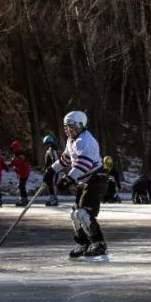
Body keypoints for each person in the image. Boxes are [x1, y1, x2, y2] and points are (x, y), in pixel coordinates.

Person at [52, 110, 109, 259]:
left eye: (72, 127)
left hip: (96, 179)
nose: (69, 130)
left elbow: (84, 164)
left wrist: (68, 179)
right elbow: (65, 159)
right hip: (84, 181)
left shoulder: (85, 141)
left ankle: (99, 244)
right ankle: (83, 243)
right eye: (67, 127)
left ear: (81, 125)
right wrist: (51, 171)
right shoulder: (71, 141)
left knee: (82, 213)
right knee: (74, 214)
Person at [7, 140, 32, 206]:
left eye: (13, 149)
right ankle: (24, 200)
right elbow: (13, 163)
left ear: (16, 148)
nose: (12, 150)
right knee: (21, 186)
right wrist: (5, 166)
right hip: (22, 173)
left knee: (21, 186)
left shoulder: (20, 155)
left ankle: (23, 200)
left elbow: (18, 163)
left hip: (24, 173)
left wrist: (15, 167)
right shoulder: (17, 155)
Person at [41, 134, 60, 206]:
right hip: (49, 171)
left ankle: (54, 199)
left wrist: (53, 168)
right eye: (46, 144)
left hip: (54, 170)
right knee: (49, 184)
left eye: (47, 143)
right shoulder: (49, 150)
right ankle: (52, 197)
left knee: (53, 184)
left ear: (51, 143)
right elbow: (47, 162)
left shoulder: (53, 150)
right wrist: (45, 168)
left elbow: (55, 160)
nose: (46, 145)